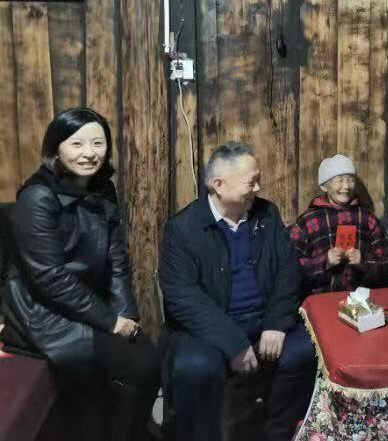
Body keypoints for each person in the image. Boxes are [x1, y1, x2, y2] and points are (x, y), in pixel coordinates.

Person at [1, 108, 160, 441]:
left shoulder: (102, 189)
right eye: (77, 144)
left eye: (98, 143)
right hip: (44, 311)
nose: (89, 153)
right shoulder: (36, 197)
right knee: (139, 366)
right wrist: (110, 321)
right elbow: (49, 278)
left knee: (146, 359)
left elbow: (117, 259)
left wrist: (126, 314)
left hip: (89, 303)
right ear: (56, 149)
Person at [159, 142, 316, 441]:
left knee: (303, 352)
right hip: (210, 328)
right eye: (251, 182)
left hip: (264, 320)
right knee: (195, 367)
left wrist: (276, 323)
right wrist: (233, 343)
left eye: (258, 179)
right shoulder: (182, 229)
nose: (258, 187)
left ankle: (278, 434)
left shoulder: (267, 214)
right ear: (219, 185)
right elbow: (182, 296)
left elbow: (288, 271)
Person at [289, 154, 388, 297]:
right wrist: (325, 261)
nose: (346, 186)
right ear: (324, 186)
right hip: (319, 300)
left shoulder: (367, 218)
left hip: (361, 301)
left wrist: (363, 262)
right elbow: (289, 267)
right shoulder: (308, 221)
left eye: (351, 180)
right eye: (339, 180)